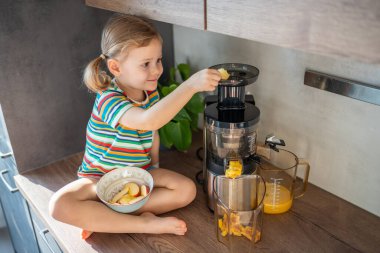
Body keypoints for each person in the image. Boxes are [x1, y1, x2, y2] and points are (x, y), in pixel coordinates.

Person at [48, 13, 221, 237]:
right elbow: (148, 120)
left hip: (140, 172)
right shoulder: (108, 99)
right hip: (99, 177)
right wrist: (190, 86)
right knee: (59, 205)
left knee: (186, 191)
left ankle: (104, 217)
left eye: (158, 60)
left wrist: (155, 166)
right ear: (116, 68)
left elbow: (152, 131)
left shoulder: (149, 92)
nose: (157, 70)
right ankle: (143, 223)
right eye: (146, 64)